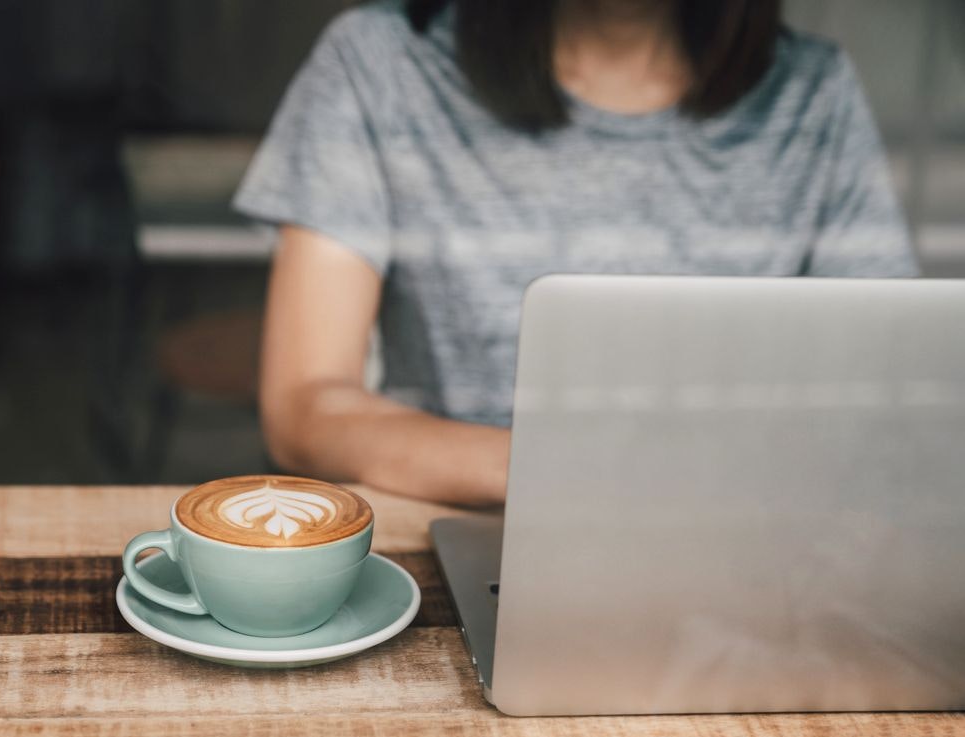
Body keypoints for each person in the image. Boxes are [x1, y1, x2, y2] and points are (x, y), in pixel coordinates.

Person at [233, 0, 918, 506]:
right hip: (473, 537)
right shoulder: (378, 63)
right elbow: (306, 406)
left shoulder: (813, 92)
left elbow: (893, 402)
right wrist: (579, 475)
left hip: (762, 557)